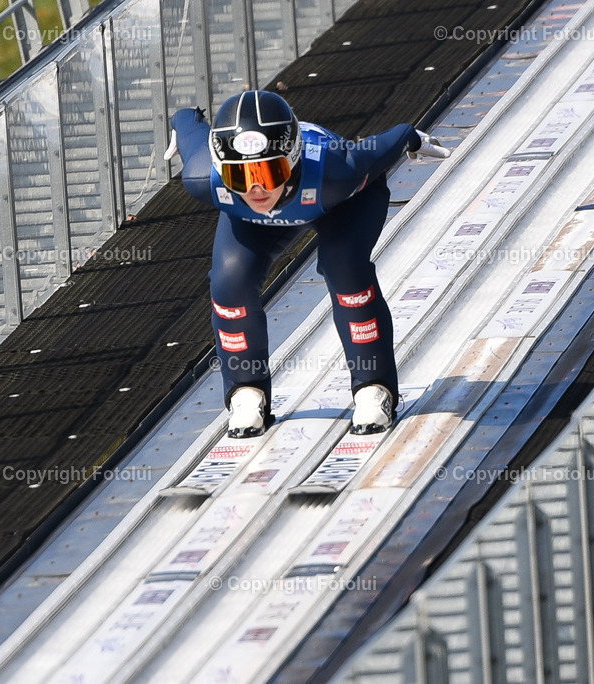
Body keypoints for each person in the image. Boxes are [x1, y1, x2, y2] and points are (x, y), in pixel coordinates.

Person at [164, 90, 450, 438]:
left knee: (344, 267)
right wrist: (183, 119)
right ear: (221, 171)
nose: (256, 190)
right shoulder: (201, 176)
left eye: (270, 173)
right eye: (239, 177)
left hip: (340, 202)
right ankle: (246, 391)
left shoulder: (337, 170)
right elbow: (189, 129)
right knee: (229, 282)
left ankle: (374, 387)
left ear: (294, 159)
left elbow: (391, 139)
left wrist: (412, 137)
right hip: (267, 212)